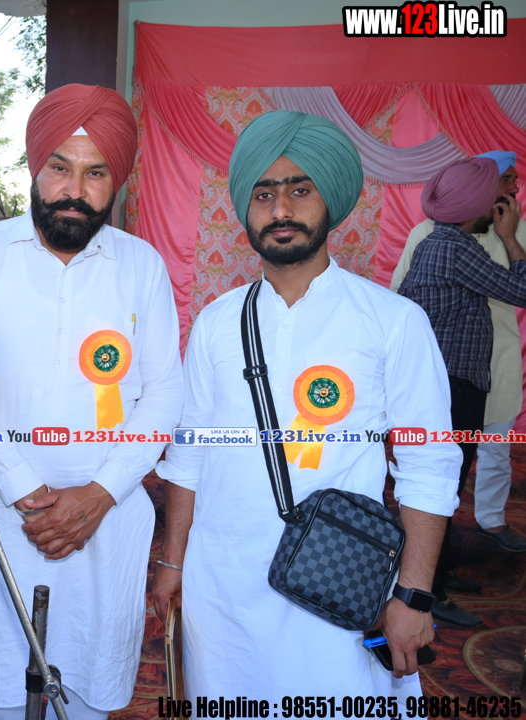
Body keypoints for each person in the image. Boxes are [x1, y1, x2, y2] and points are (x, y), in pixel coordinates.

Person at [152, 110, 460, 696]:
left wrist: (414, 594)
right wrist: (173, 562)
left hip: (336, 586)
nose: (280, 210)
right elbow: (188, 457)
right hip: (222, 591)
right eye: (264, 193)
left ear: (330, 200)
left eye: (299, 190)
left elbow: (429, 466)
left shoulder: (393, 321)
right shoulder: (217, 322)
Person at [0, 84, 183, 720]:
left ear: (117, 181)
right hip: (0, 517)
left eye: (95, 173)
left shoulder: (142, 265)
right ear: (34, 167)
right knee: (0, 693)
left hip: (107, 521)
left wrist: (99, 495)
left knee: (87, 694)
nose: (74, 190)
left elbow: (164, 391)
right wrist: (26, 489)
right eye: (59, 167)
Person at [397, 156, 526, 627]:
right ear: (478, 205)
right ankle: (426, 593)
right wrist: (510, 238)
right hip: (451, 389)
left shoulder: (444, 242)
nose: (501, 203)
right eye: (495, 196)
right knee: (441, 489)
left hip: (449, 385)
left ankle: (440, 573)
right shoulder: (454, 248)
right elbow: (522, 290)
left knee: (445, 487)